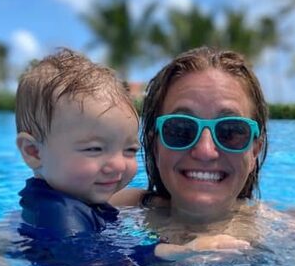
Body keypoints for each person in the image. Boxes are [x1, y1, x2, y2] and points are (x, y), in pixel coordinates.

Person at [12, 47, 247, 266]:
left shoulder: (82, 202)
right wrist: (179, 251)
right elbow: (84, 261)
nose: (117, 165)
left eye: (130, 151)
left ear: (256, 148)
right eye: (94, 149)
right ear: (33, 152)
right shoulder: (59, 211)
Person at [111, 46, 270, 242]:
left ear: (254, 150)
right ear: (155, 146)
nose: (205, 151)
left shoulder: (291, 234)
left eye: (230, 131)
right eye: (180, 129)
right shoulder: (116, 208)